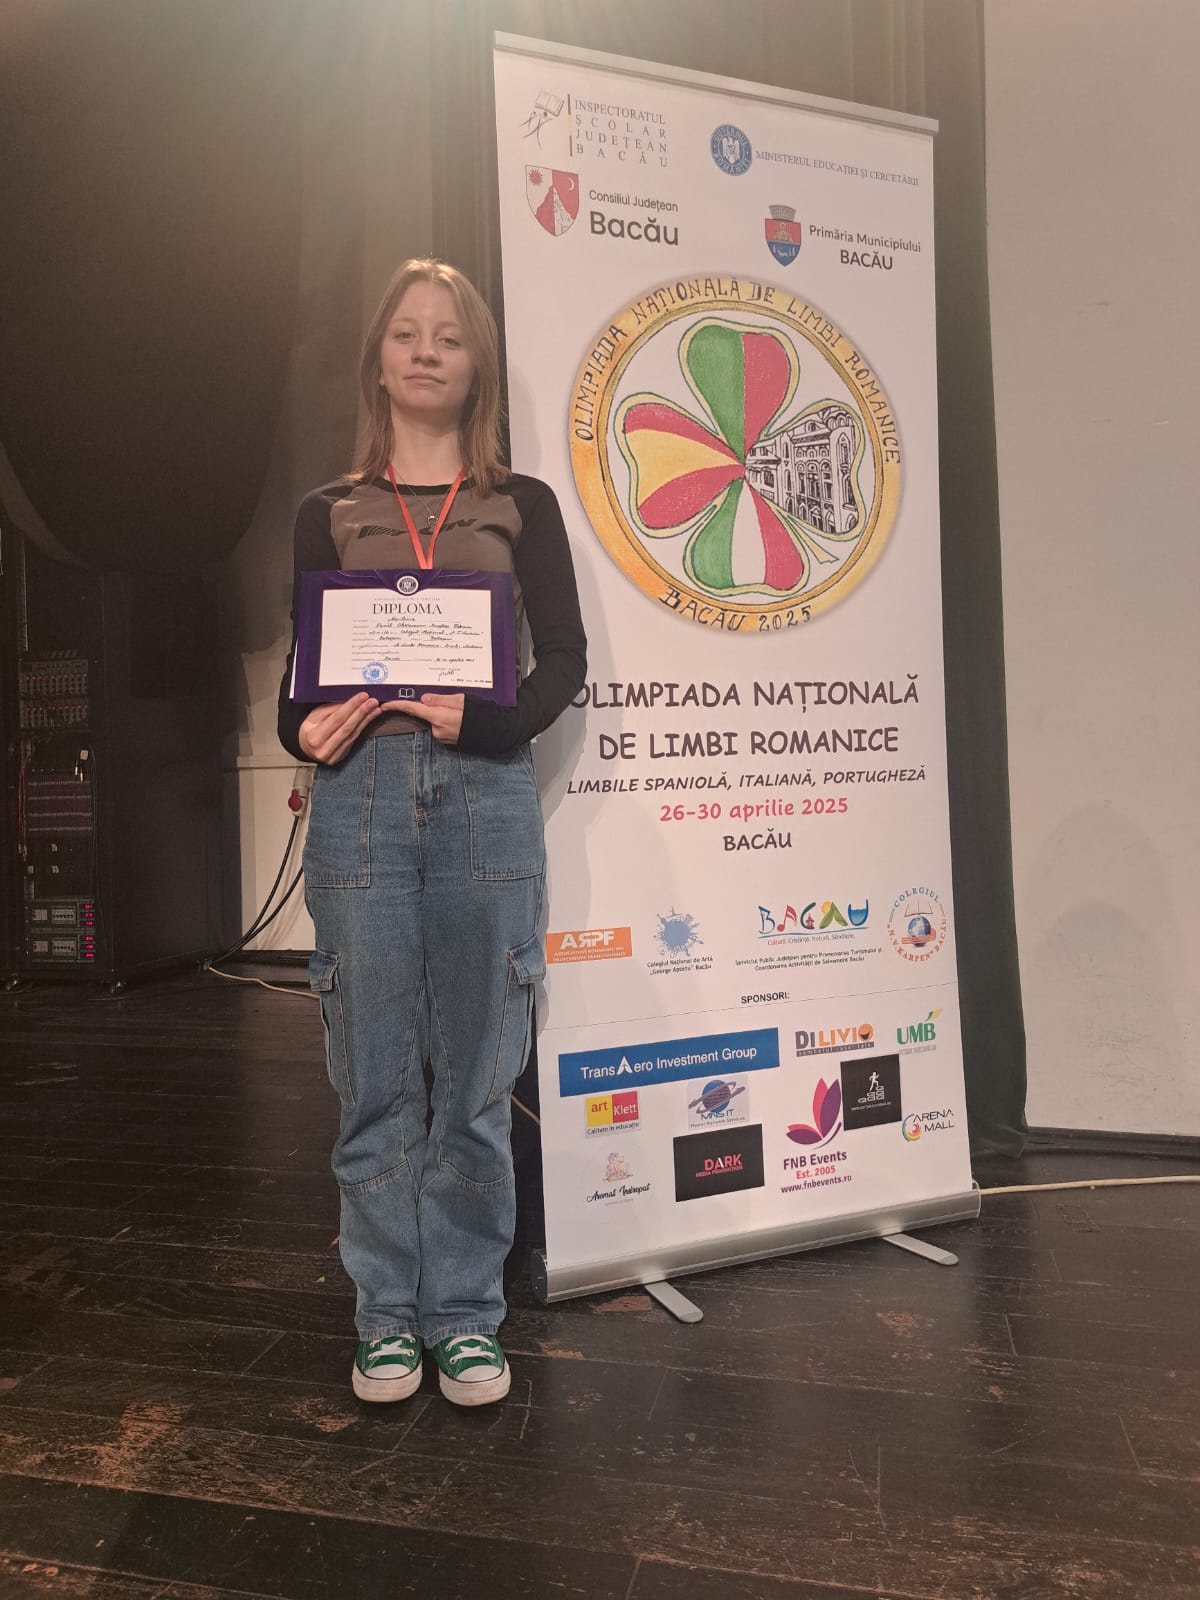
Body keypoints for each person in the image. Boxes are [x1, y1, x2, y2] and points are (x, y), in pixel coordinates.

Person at [277, 259, 586, 1407]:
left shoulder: (525, 504)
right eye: (405, 333)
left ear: (476, 365)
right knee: (371, 1075)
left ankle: (462, 1313)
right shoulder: (327, 511)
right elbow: (299, 683)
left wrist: (487, 719)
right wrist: (304, 727)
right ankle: (384, 1316)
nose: (423, 351)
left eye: (447, 337)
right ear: (378, 361)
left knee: (473, 1074)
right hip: (359, 796)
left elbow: (565, 661)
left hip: (484, 791)